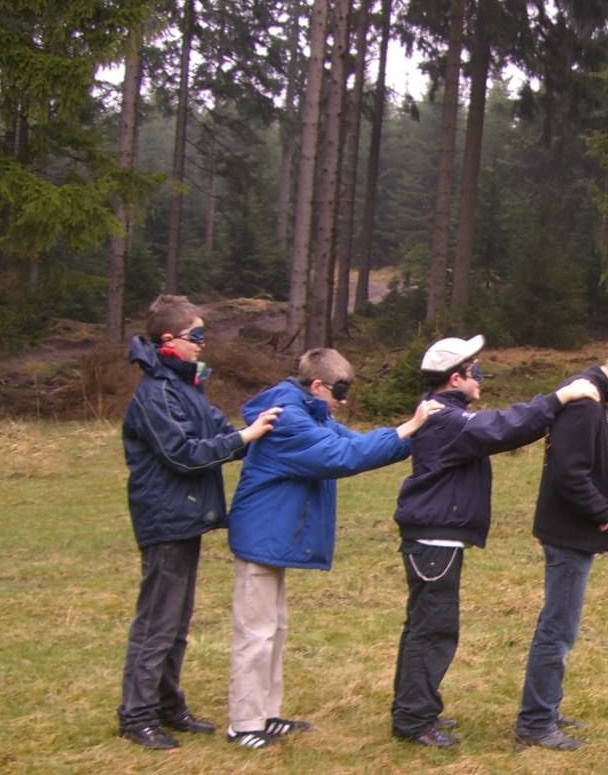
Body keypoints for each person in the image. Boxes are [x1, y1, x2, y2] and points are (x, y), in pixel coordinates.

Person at [389, 335, 602, 748]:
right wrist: (560, 397)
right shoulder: (446, 421)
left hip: (435, 541)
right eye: (477, 373)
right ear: (456, 378)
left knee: (426, 627)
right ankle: (414, 721)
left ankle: (415, 712)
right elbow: (504, 427)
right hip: (434, 544)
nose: (482, 380)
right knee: (432, 631)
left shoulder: (445, 417)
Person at [225, 348, 442, 749]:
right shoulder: (287, 419)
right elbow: (342, 456)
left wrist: (410, 433)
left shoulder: (311, 413)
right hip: (261, 534)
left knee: (274, 629)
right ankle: (244, 723)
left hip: (274, 536)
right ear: (318, 385)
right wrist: (409, 426)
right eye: (338, 391)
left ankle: (265, 714)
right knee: (255, 632)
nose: (343, 401)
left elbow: (358, 443)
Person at [116, 295, 282, 750]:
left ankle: (169, 706)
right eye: (197, 337)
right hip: (164, 519)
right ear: (169, 340)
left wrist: (264, 430)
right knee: (157, 621)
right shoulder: (155, 394)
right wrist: (244, 437)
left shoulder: (186, 388)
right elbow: (183, 455)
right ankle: (137, 715)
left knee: (177, 620)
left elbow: (220, 436)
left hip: (186, 518)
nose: (202, 346)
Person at [513, 349, 608, 750]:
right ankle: (535, 722)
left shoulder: (588, 396)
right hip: (569, 535)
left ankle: (546, 708)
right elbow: (570, 473)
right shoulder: (585, 403)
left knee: (560, 627)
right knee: (558, 630)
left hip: (569, 533)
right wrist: (602, 512)